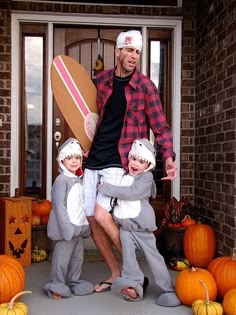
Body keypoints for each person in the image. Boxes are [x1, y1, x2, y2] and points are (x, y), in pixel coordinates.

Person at [83, 29, 177, 293]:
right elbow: (93, 119)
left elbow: (160, 127)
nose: (134, 56)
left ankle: (133, 277)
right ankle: (116, 273)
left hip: (120, 160)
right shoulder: (101, 81)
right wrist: (88, 147)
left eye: (137, 51)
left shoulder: (145, 87)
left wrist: (168, 156)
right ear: (118, 51)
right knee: (92, 218)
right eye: (129, 50)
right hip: (96, 157)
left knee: (103, 215)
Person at [98, 138, 181, 307]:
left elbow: (131, 193)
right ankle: (134, 286)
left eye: (141, 161)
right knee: (128, 260)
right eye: (133, 159)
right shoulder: (126, 176)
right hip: (126, 228)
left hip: (142, 228)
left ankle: (168, 289)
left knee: (154, 258)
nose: (136, 163)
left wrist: (106, 188)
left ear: (148, 165)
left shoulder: (146, 178)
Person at [43, 138, 94, 299]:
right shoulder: (61, 181)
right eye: (70, 158)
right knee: (62, 258)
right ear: (62, 160)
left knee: (77, 257)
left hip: (78, 227)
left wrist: (85, 226)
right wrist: (67, 229)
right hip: (67, 229)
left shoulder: (79, 180)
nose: (74, 161)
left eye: (77, 158)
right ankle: (56, 283)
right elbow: (59, 206)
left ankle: (74, 280)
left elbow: (82, 204)